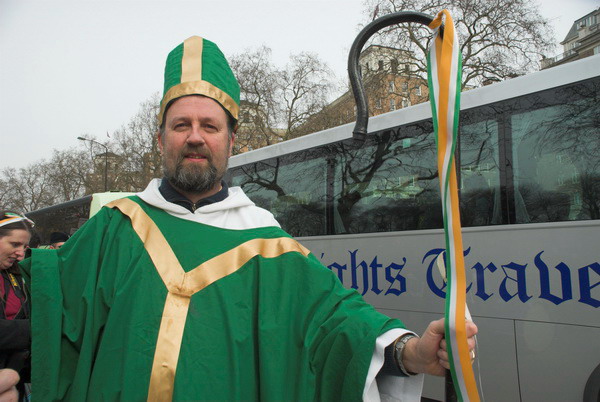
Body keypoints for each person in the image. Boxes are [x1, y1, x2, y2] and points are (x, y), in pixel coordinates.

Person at [20, 36, 477, 401]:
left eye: (210, 125)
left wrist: (412, 352)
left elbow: (339, 327)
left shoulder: (270, 248)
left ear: (230, 140)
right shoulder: (113, 228)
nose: (195, 137)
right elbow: (43, 306)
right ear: (160, 139)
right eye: (181, 125)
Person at [0, 212, 32, 401]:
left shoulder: (17, 277)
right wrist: (38, 329)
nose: (21, 253)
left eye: (25, 247)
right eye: (15, 244)